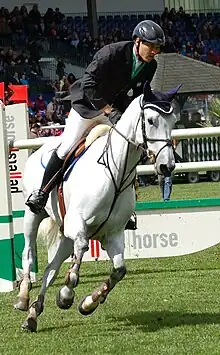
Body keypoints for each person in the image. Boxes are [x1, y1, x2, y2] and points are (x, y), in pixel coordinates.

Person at [26, 20, 165, 230]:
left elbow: (138, 96)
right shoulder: (111, 53)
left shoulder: (150, 66)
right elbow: (89, 84)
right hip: (87, 106)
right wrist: (108, 109)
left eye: (158, 48)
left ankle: (124, 211)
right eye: (151, 46)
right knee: (67, 147)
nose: (154, 51)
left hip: (113, 110)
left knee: (125, 152)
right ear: (137, 41)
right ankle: (42, 194)